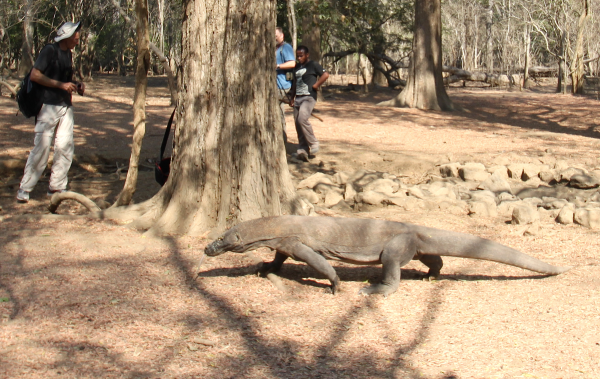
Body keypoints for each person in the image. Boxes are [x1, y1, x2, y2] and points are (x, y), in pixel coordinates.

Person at [16, 21, 85, 203]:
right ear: (68, 36)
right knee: (42, 148)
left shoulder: (68, 54)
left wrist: (76, 85)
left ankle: (57, 187)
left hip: (65, 106)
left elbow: (65, 78)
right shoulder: (49, 51)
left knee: (65, 147)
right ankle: (25, 188)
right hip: (48, 107)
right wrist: (60, 85)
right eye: (76, 35)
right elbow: (35, 75)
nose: (78, 38)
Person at [289, 45, 329, 162]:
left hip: (309, 97)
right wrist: (292, 98)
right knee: (297, 122)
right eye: (298, 56)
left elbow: (325, 74)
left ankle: (314, 143)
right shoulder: (296, 67)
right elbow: (295, 83)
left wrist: (316, 85)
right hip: (298, 98)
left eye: (301, 56)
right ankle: (303, 150)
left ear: (307, 55)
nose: (299, 58)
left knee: (302, 118)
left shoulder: (313, 65)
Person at [275, 27, 295, 143]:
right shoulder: (274, 48)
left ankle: (282, 140)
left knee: (278, 112)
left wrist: (277, 66)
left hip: (282, 84)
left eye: (276, 36)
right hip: (274, 85)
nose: (275, 39)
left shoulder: (285, 47)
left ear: (282, 36)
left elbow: (292, 63)